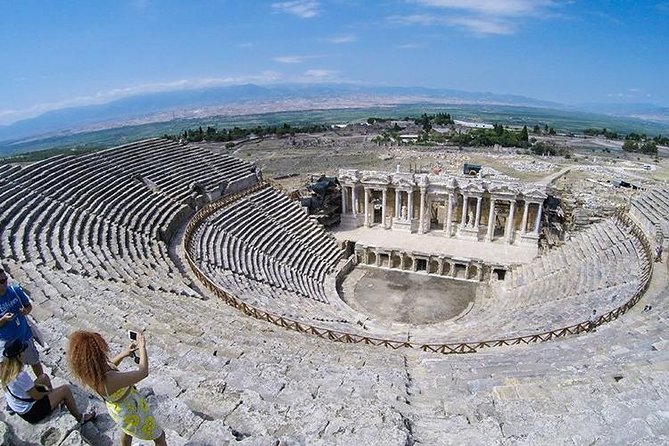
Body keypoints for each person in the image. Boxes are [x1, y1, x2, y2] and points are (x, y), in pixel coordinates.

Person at [68, 330, 166, 446]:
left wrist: (124, 354)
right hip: (131, 410)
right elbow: (143, 372)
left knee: (127, 430)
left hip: (119, 410)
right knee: (160, 436)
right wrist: (142, 347)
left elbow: (110, 365)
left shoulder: (91, 373)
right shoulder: (110, 380)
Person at [1, 338, 96, 424]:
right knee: (65, 390)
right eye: (23, 351)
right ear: (18, 356)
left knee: (44, 377)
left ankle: (54, 401)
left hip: (20, 404)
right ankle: (80, 418)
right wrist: (48, 392)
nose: (24, 353)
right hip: (31, 412)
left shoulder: (5, 369)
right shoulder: (20, 375)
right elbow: (37, 396)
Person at [0, 268, 45, 379]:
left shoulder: (15, 290)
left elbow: (28, 306)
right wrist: (4, 319)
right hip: (8, 343)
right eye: (1, 281)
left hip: (24, 336)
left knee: (35, 362)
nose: (5, 282)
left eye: (5, 279)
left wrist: (26, 311)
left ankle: (44, 385)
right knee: (10, 373)